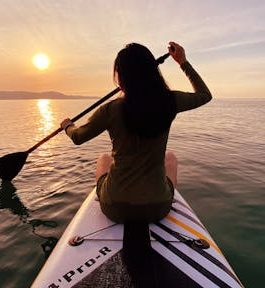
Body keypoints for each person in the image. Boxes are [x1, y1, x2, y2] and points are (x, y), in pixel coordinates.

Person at [60, 42, 212, 223]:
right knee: (170, 158)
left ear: (121, 76)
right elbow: (204, 95)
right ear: (153, 71)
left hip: (114, 207)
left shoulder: (109, 110)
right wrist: (183, 63)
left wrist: (67, 126)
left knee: (103, 159)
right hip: (158, 208)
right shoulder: (171, 101)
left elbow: (78, 137)